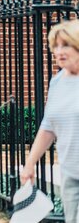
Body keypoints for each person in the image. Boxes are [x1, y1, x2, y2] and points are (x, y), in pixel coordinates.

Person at [20, 20, 79, 223]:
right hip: (71, 173)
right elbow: (48, 127)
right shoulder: (58, 82)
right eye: (56, 46)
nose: (60, 51)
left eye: (66, 45)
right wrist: (30, 163)